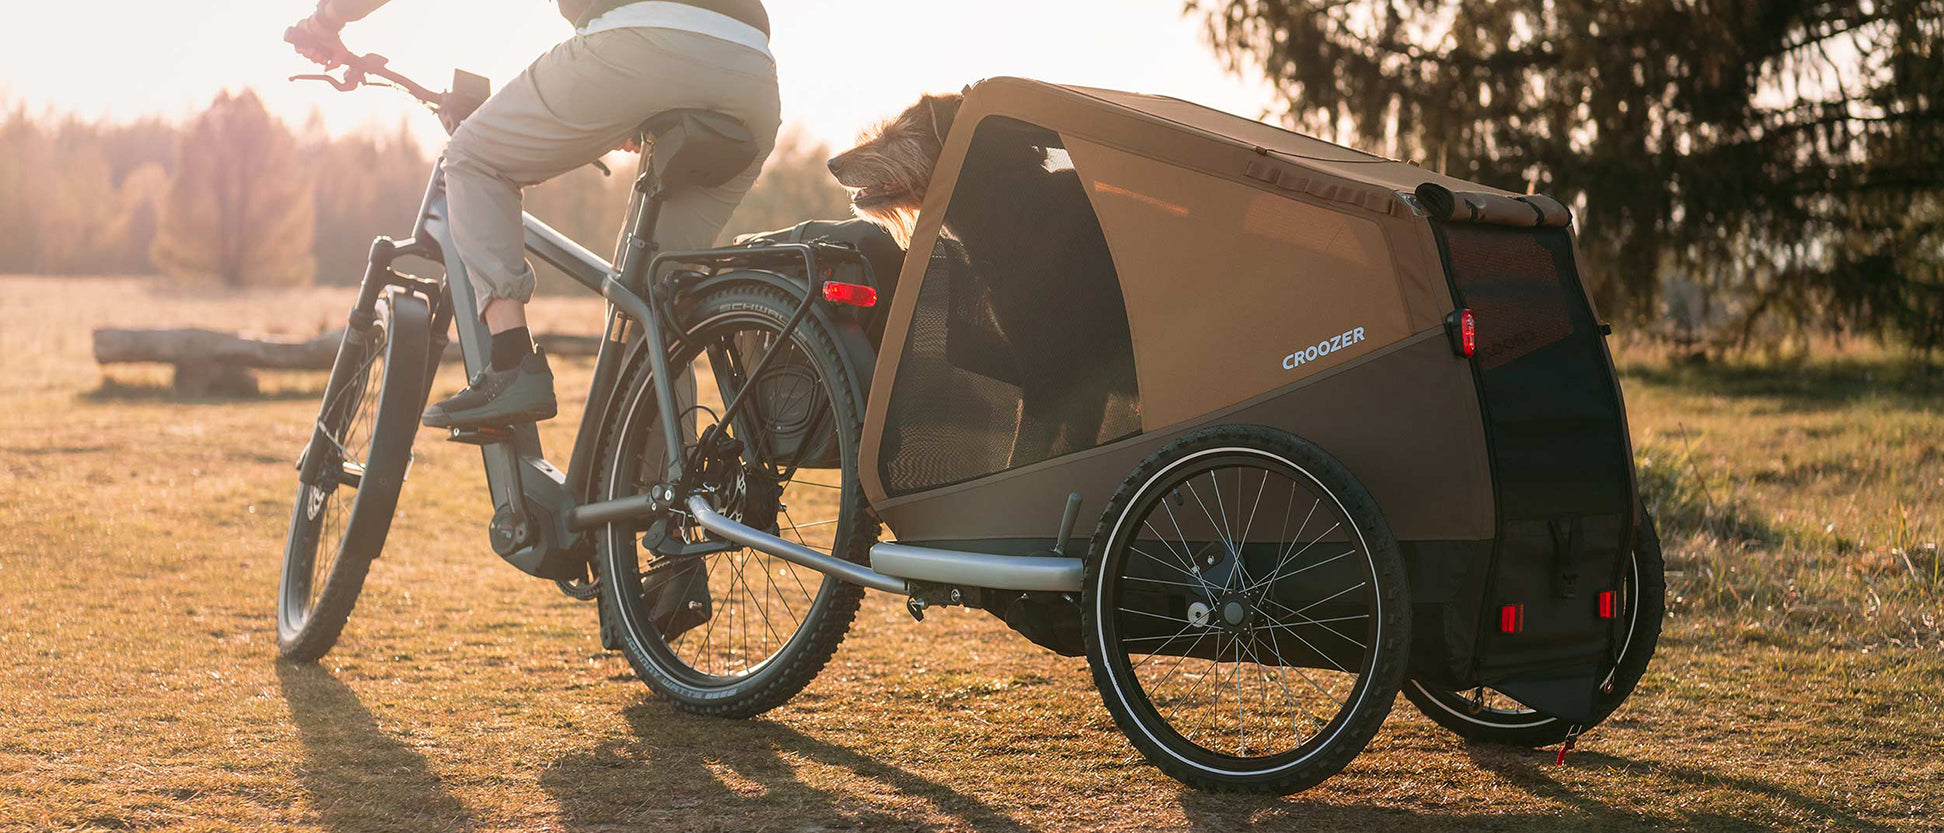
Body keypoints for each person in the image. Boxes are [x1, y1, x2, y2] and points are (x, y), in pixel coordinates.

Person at [286, 0, 780, 429]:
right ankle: (656, 503)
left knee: (473, 158)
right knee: (651, 302)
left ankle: (511, 364)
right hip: (752, 73)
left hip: (643, 39)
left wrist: (326, 20)